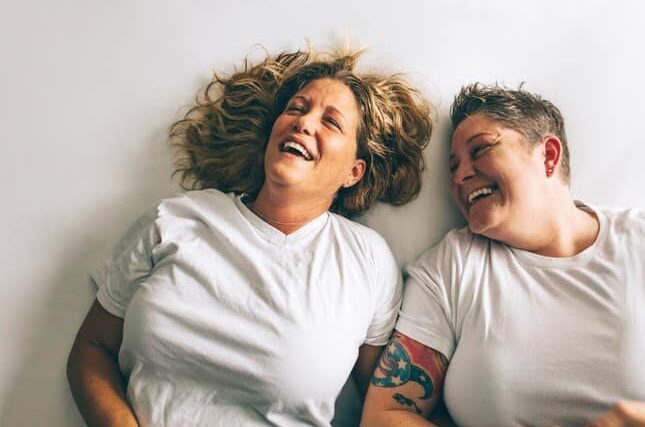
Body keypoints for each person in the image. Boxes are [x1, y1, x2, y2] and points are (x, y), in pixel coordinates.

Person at [66, 46, 433, 427]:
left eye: (331, 122)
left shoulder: (367, 261)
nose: (304, 123)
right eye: (296, 108)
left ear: (353, 172)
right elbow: (92, 348)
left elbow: (388, 409)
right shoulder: (173, 220)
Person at [360, 83, 645, 427]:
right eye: (453, 167)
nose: (461, 176)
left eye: (480, 149)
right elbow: (384, 415)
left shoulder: (637, 239)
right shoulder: (452, 266)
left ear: (548, 155)